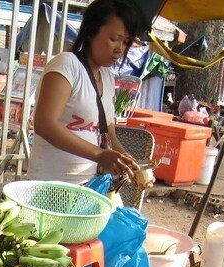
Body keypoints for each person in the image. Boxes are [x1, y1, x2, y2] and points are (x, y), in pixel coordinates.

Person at [28, 0, 148, 185]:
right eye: (114, 39)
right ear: (91, 31)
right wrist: (99, 155)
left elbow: (109, 135)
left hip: (87, 187)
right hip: (49, 186)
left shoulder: (107, 77)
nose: (119, 49)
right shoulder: (67, 65)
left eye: (125, 42)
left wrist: (125, 160)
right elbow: (44, 124)